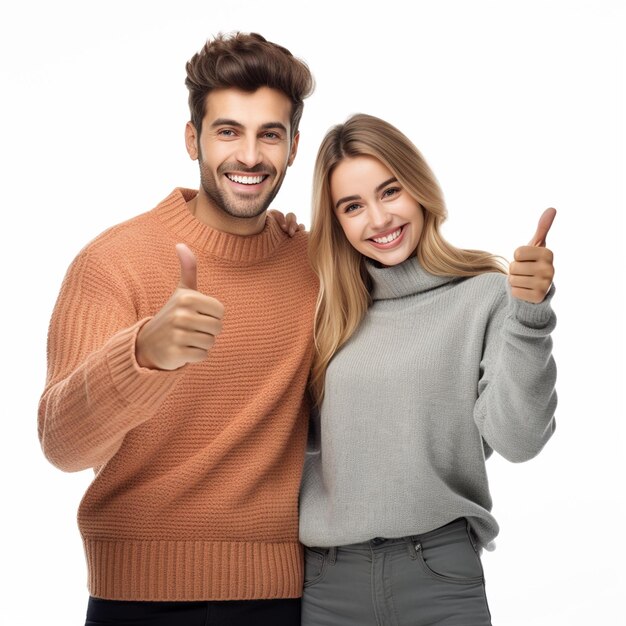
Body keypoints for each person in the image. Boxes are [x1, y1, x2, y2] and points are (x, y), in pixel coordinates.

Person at [38, 32, 315, 626]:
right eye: (227, 131)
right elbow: (62, 445)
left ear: (294, 146)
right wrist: (142, 356)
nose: (249, 156)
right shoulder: (115, 261)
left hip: (282, 597)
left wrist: (521, 296)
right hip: (133, 598)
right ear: (193, 139)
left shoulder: (313, 264)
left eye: (269, 133)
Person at [299, 113, 557, 625]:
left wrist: (530, 317)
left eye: (389, 191)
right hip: (328, 584)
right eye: (353, 206)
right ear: (337, 222)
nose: (378, 219)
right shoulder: (325, 310)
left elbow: (519, 440)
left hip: (438, 576)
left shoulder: (483, 294)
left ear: (419, 189)